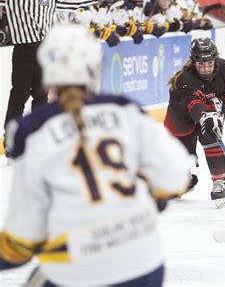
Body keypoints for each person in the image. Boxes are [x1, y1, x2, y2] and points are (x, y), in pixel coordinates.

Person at [0, 25, 192, 286]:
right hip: (144, 262)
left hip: (77, 271)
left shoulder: (33, 131)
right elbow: (176, 176)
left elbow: (22, 240)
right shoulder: (125, 110)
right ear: (95, 66)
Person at [0, 0, 116, 157]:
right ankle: (12, 141)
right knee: (19, 95)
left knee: (40, 94)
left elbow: (75, 1)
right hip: (23, 50)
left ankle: (38, 138)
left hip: (44, 50)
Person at [164, 37, 225, 208]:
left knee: (211, 137)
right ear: (193, 62)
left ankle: (219, 182)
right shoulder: (184, 79)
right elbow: (193, 104)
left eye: (209, 63)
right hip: (181, 114)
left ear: (216, 60)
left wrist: (217, 108)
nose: (205, 68)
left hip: (210, 110)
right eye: (200, 64)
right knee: (179, 150)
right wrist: (206, 115)